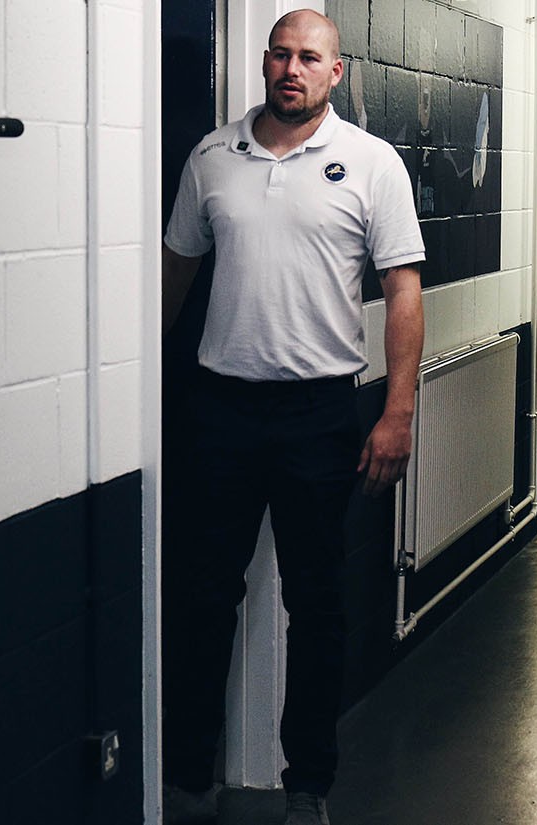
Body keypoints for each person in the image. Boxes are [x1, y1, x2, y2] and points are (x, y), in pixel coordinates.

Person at [159, 10, 425, 825]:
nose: (290, 69)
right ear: (264, 62)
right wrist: (145, 386)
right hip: (221, 411)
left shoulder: (371, 163)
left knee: (317, 603)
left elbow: (404, 292)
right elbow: (175, 273)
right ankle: (186, 776)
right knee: (203, 597)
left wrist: (397, 410)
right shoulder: (211, 156)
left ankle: (307, 779)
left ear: (335, 73)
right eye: (279, 54)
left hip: (319, 411)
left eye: (309, 57)